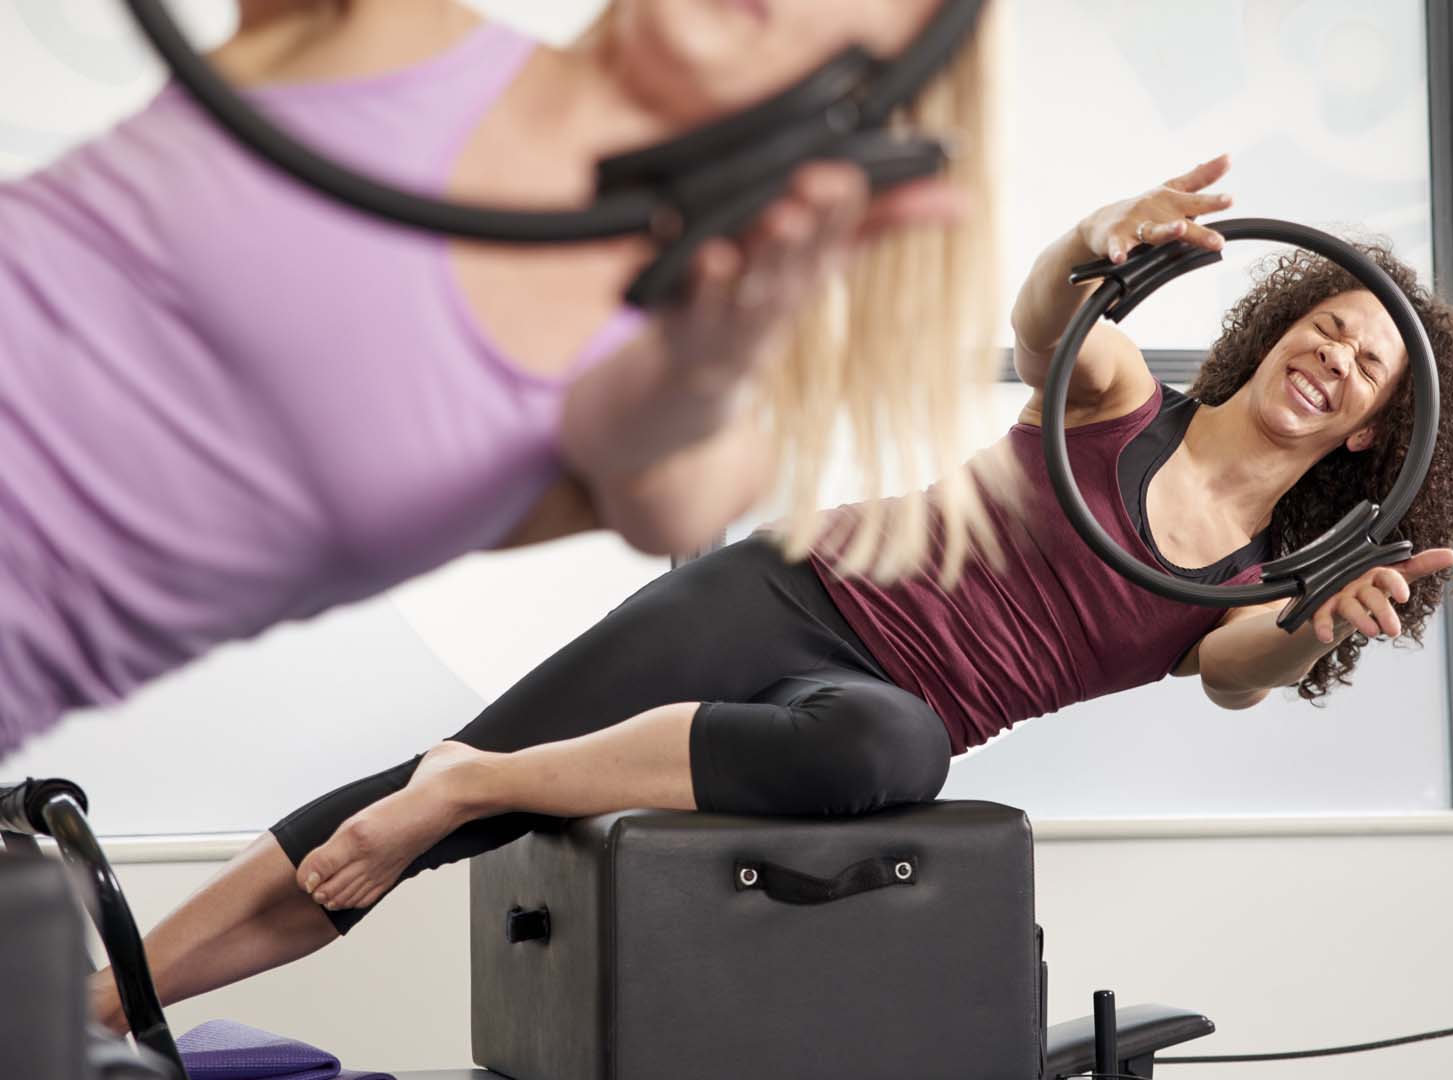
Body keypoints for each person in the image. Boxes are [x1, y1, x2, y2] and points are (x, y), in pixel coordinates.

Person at [89, 155, 1453, 1032]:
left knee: (901, 748)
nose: (1337, 360)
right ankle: (102, 1005)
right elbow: (1048, 322)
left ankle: (478, 781)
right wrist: (1090, 241)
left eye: (1368, 368)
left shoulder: (1260, 584)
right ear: (1282, 327)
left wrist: (1320, 622)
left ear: (1373, 431)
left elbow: (1243, 671)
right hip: (795, 591)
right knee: (396, 821)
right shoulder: (1121, 400)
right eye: (1331, 328)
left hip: (872, 712)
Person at [0, 0, 1002, 755]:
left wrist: (689, 380)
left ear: (902, 64)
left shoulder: (703, 415)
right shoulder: (383, 24)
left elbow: (663, 479)